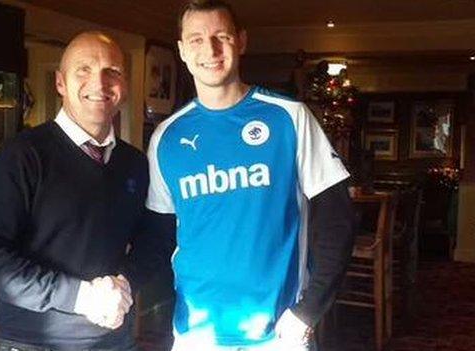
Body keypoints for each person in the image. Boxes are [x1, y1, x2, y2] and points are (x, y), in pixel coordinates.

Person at [146, 1, 355, 350]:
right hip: (195, 333)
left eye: (221, 36)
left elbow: (337, 220)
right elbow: (159, 235)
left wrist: (310, 309)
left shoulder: (290, 117)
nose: (210, 50)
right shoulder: (166, 138)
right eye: (196, 39)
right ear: (181, 50)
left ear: (241, 41)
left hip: (277, 334)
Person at [0, 31, 167, 351]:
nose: (99, 84)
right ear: (60, 83)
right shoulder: (22, 155)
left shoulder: (134, 163)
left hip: (115, 340)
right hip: (32, 342)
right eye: (83, 70)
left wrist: (124, 282)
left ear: (124, 85)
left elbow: (156, 239)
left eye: (111, 72)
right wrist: (80, 296)